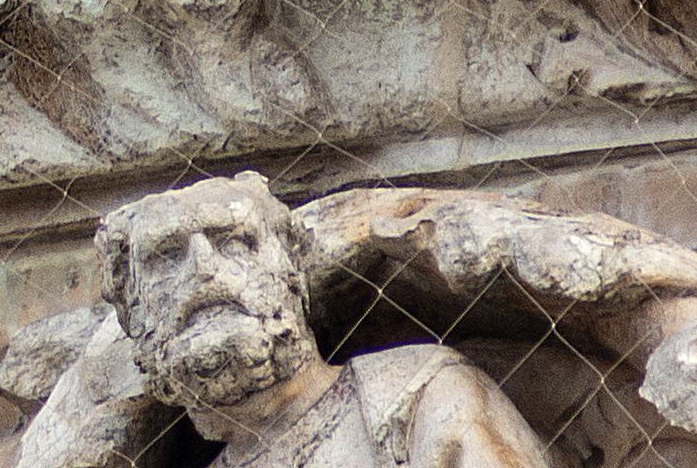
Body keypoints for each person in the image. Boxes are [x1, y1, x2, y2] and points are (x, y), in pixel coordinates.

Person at [98, 176, 557, 468]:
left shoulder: (420, 397)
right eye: (165, 257)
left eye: (234, 242)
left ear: (294, 267)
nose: (202, 270)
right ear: (134, 316)